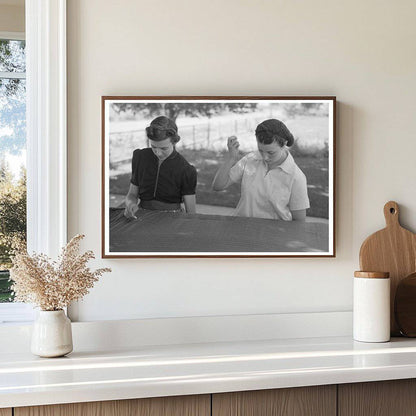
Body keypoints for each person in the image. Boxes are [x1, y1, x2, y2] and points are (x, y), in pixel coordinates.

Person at [212, 119, 309, 221]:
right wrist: (231, 158)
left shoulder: (296, 177)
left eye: (271, 153)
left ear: (284, 144)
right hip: (241, 228)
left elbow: (299, 222)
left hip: (273, 234)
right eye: (261, 150)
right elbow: (218, 186)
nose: (265, 157)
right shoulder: (250, 159)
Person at [124, 116, 197, 219]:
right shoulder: (140, 157)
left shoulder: (186, 170)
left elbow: (191, 213)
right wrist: (130, 204)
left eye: (164, 148)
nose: (158, 153)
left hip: (172, 219)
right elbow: (132, 194)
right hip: (142, 215)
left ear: (174, 142)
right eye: (153, 147)